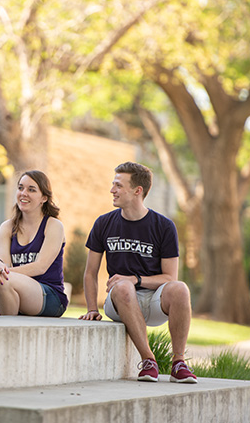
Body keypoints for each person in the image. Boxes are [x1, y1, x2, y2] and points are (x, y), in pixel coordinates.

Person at [78, 161, 197, 384]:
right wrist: (92, 308)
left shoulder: (164, 226)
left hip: (153, 301)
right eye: (113, 184)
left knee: (180, 288)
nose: (112, 190)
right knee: (123, 287)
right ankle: (148, 360)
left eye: (118, 185)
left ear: (137, 190)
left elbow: (170, 278)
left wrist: (136, 279)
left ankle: (178, 363)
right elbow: (90, 273)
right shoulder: (103, 223)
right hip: (119, 301)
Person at [0, 170, 68, 317]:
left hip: (50, 296)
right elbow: (5, 263)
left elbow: (40, 267)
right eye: (21, 188)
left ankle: (9, 332)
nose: (24, 193)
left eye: (31, 190)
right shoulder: (7, 227)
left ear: (44, 198)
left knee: (5, 279)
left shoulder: (53, 225)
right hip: (14, 289)